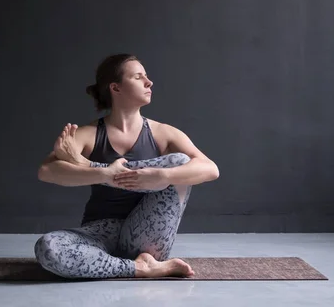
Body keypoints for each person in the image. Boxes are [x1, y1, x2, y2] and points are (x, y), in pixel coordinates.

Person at [34, 54, 219, 279]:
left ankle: (123, 263)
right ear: (116, 88)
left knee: (179, 162)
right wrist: (105, 173)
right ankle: (141, 268)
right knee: (48, 247)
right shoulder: (89, 134)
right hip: (99, 232)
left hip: (148, 237)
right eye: (138, 77)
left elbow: (210, 169)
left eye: (147, 77)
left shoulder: (163, 133)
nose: (149, 82)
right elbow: (46, 171)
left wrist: (162, 175)